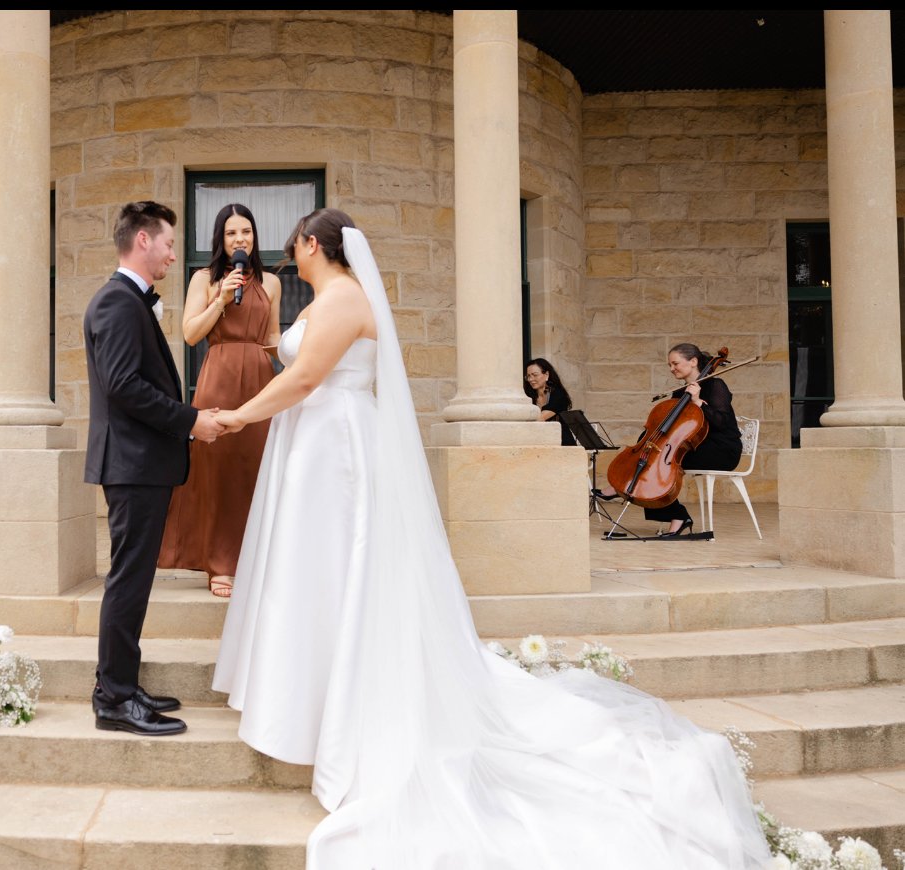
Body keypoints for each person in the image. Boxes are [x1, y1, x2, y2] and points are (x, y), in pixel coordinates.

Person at [212, 209, 770, 868]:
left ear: (312, 243)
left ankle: (340, 706)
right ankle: (308, 691)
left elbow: (305, 380)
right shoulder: (324, 301)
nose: (291, 260)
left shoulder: (345, 300)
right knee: (319, 577)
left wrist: (232, 416)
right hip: (312, 448)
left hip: (335, 449)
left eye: (294, 248)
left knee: (343, 572)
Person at [82, 200, 225, 737]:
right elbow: (124, 387)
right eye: (167, 243)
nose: (172, 253)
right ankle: (113, 700)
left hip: (139, 464)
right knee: (128, 581)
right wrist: (190, 420)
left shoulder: (127, 302)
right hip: (133, 465)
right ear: (142, 240)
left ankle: (120, 684)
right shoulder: (118, 304)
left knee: (135, 580)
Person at [158, 203, 282, 598]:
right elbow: (191, 333)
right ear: (221, 239)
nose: (239, 239)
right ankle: (220, 563)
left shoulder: (272, 283)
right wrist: (221, 300)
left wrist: (305, 355)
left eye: (245, 231)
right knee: (219, 467)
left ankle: (258, 559)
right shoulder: (204, 279)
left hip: (261, 378)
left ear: (254, 236)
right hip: (219, 374)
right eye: (231, 233)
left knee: (257, 465)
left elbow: (273, 338)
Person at [594, 343, 742, 537]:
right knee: (652, 462)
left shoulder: (715, 385)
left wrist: (697, 402)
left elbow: (722, 422)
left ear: (693, 362)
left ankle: (676, 516)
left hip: (721, 450)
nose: (672, 369)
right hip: (692, 447)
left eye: (675, 363)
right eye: (670, 365)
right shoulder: (680, 392)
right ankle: (677, 516)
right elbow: (665, 429)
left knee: (655, 467)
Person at [524, 357, 577, 446]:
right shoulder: (528, 396)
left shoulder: (558, 395)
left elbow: (540, 418)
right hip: (539, 444)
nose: (530, 379)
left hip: (562, 445)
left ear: (547, 375)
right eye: (528, 376)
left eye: (535, 375)